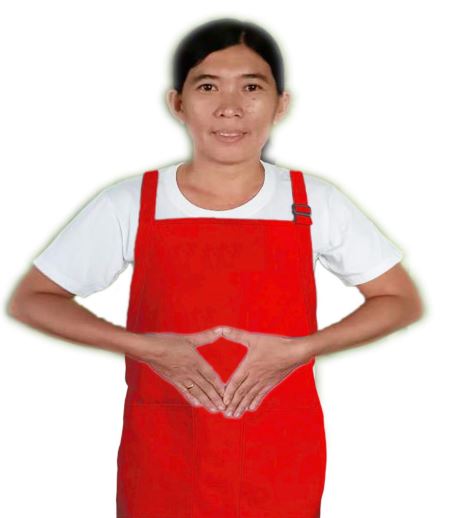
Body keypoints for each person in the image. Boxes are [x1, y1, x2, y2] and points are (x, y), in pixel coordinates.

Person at [7, 17, 423, 518]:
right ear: (177, 103)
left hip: (280, 449)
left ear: (281, 104)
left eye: (251, 87)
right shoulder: (132, 203)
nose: (230, 107)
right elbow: (33, 300)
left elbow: (400, 299)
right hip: (165, 451)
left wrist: (301, 349)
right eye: (208, 86)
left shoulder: (312, 201)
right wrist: (145, 348)